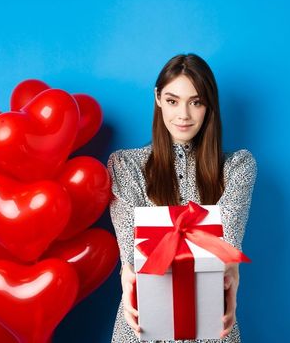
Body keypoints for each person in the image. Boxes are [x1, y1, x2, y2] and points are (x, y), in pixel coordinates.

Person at [107, 53, 257, 343]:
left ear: (209, 105)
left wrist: (231, 271)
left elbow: (227, 245)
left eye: (196, 102)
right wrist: (127, 274)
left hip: (214, 326)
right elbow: (133, 256)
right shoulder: (125, 165)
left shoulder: (238, 167)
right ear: (158, 98)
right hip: (141, 327)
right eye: (173, 100)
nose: (183, 115)